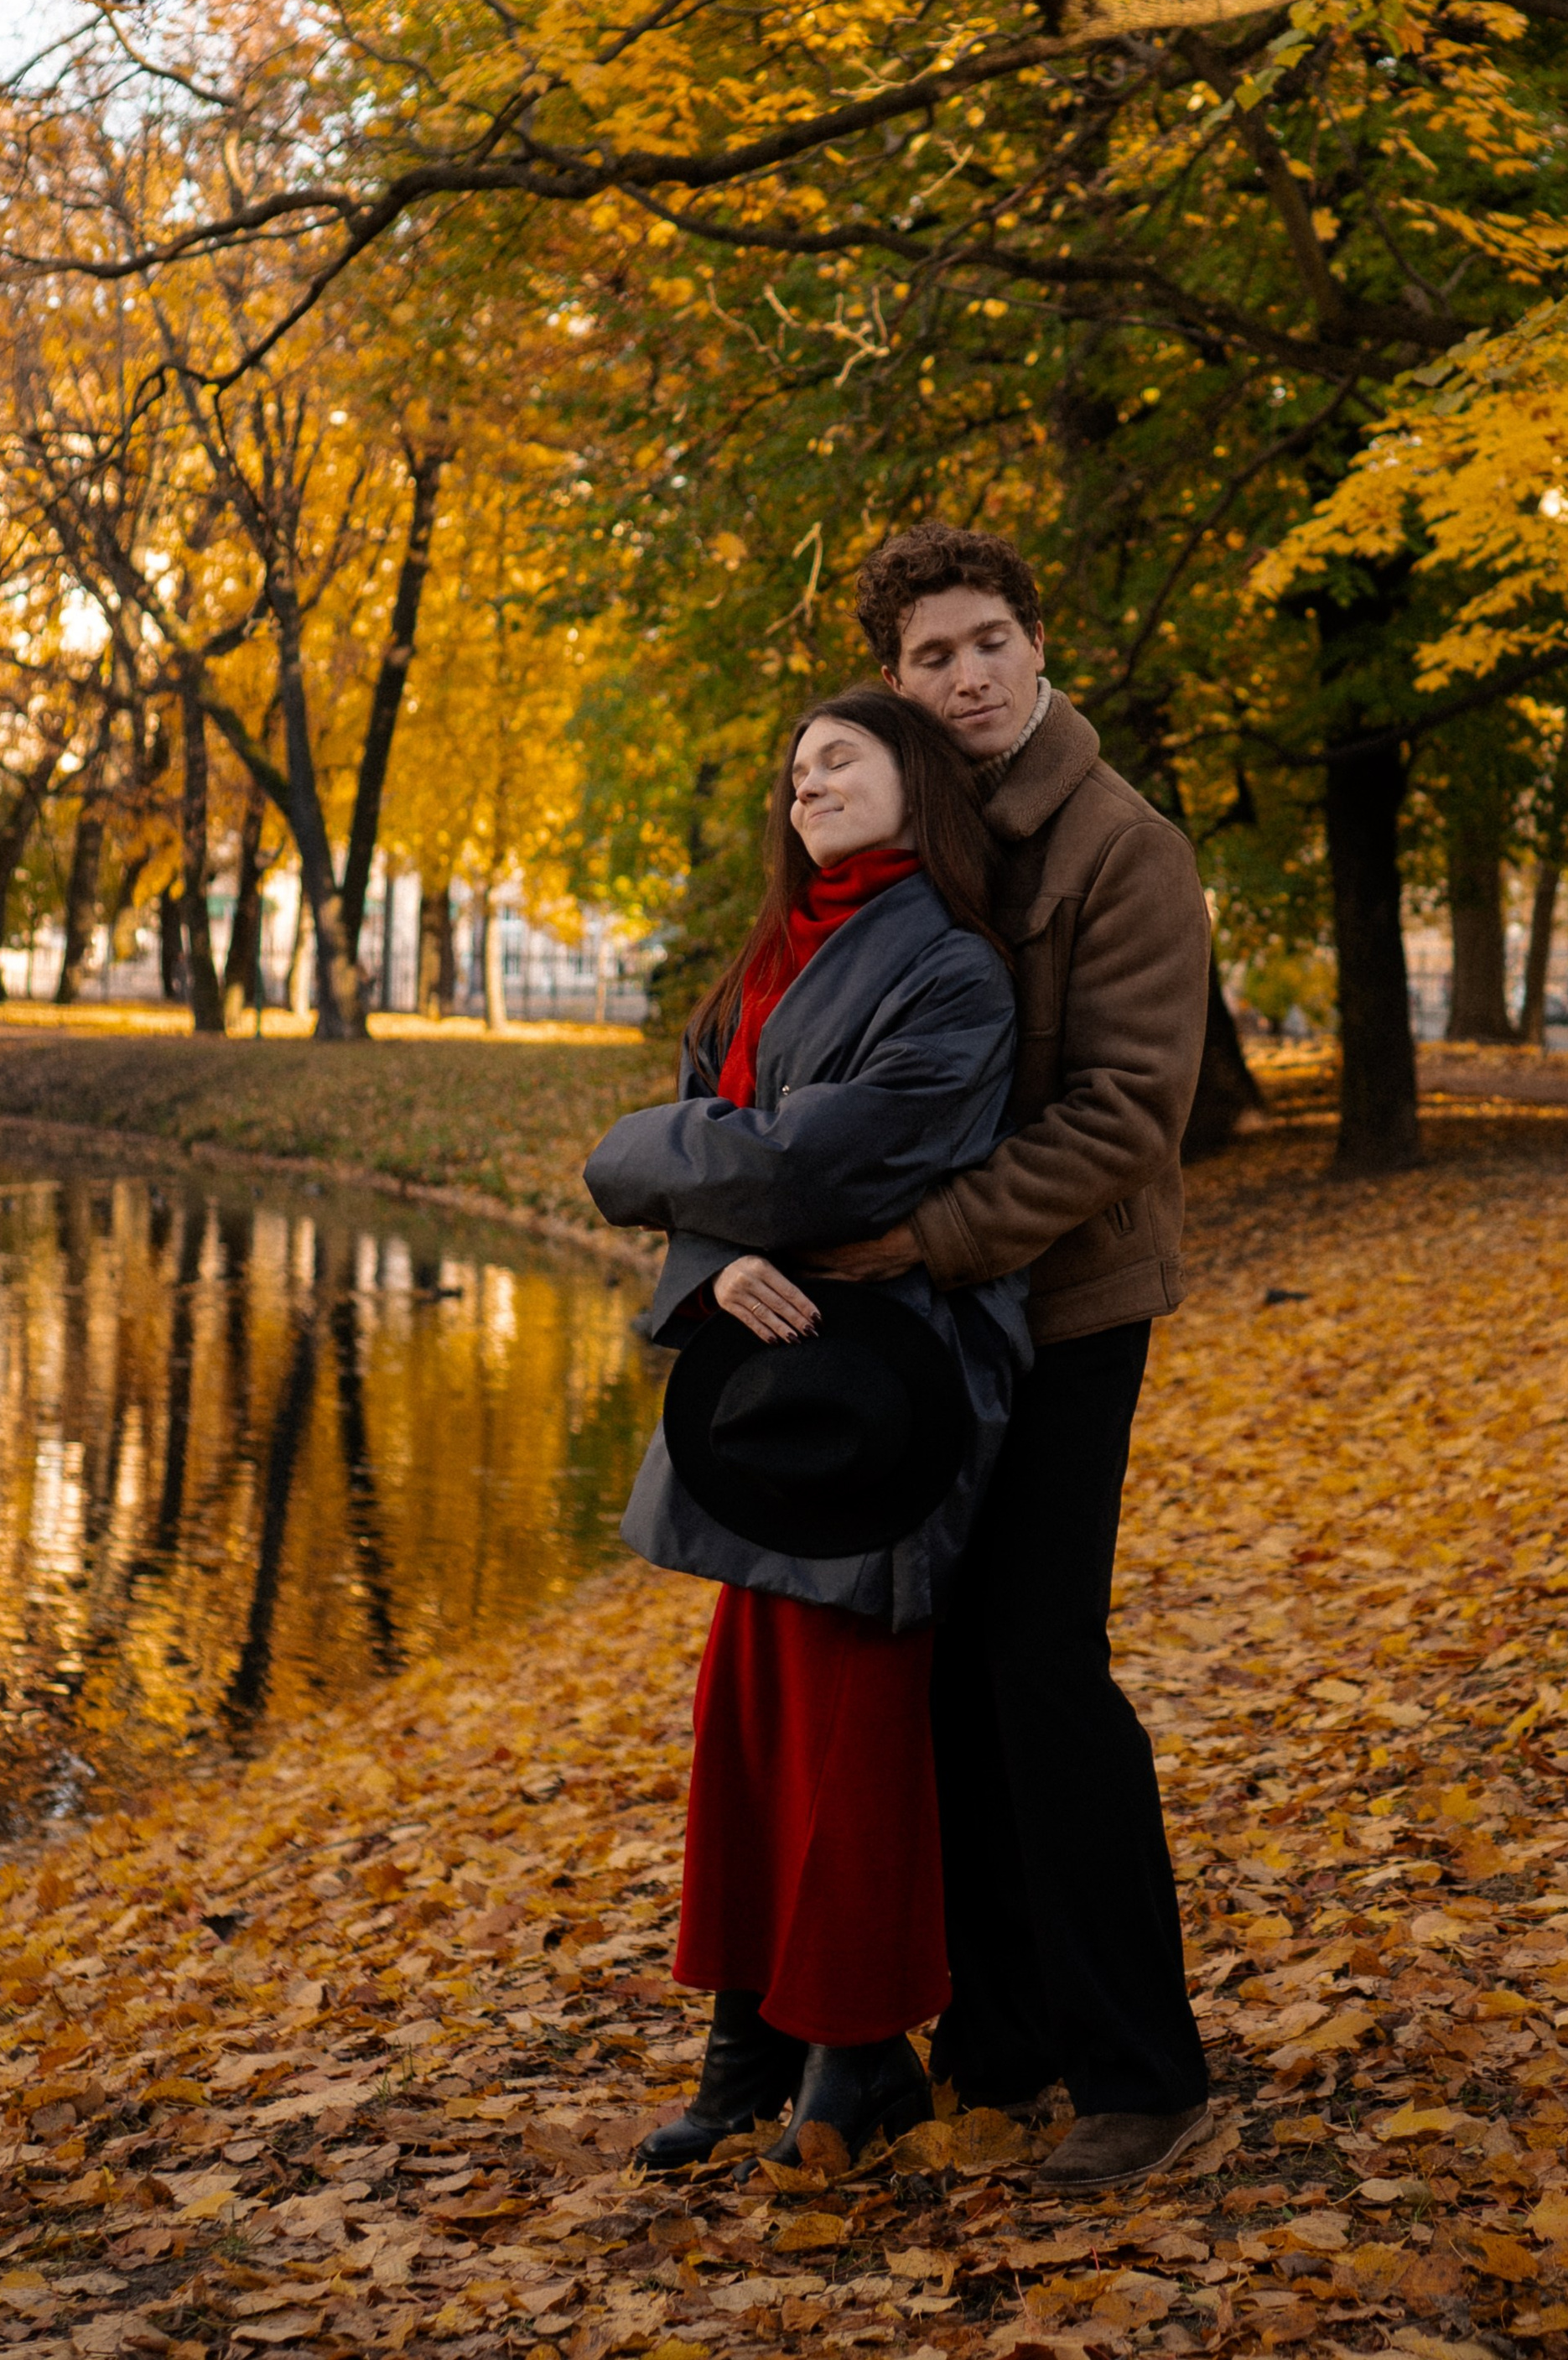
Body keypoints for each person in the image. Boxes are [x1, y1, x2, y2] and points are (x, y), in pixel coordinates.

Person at [809, 524, 1214, 2195]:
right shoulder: (925, 828)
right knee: (950, 1685)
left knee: (1041, 1675)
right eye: (929, 658)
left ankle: (1145, 2070)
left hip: (1062, 1309)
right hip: (932, 1330)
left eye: (987, 644)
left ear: (1038, 647)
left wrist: (921, 1237)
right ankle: (1001, 2046)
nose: (963, 678)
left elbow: (1123, 1114)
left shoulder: (1121, 847)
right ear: (894, 679)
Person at [583, 689, 1028, 2173]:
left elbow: (805, 1167)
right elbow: (682, 1156)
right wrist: (715, 1257)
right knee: (748, 1725)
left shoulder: (955, 973)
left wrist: (697, 1186)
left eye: (839, 756)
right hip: (768, 1371)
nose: (808, 781)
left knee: (848, 1729)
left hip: (885, 1393)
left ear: (919, 781)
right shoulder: (775, 958)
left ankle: (859, 2051)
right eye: (793, 770)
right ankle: (747, 2044)